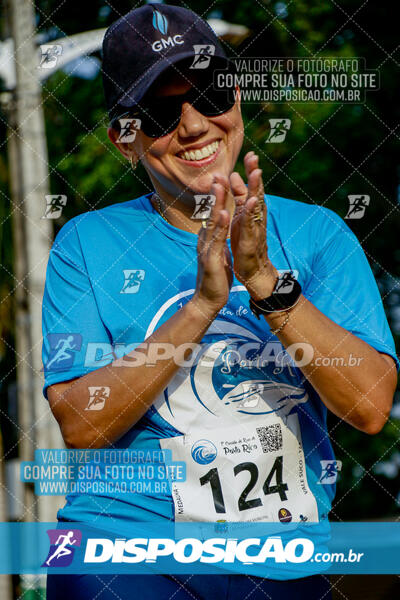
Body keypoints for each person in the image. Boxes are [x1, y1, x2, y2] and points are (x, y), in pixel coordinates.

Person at [43, 4, 398, 599]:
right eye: (158, 112)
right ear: (124, 140)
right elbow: (82, 422)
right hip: (127, 551)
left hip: (280, 557)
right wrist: (202, 306)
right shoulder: (85, 243)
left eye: (208, 93)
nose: (192, 125)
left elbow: (367, 407)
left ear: (236, 99)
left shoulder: (319, 234)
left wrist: (263, 280)